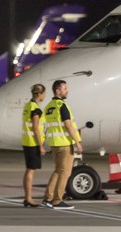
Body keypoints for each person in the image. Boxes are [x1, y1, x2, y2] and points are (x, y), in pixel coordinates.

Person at [41, 80, 82, 210]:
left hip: (54, 144)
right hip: (64, 144)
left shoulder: (48, 107)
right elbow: (68, 125)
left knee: (58, 171)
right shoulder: (62, 106)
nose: (67, 90)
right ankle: (57, 200)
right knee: (65, 173)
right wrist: (77, 142)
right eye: (64, 88)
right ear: (57, 91)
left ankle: (48, 198)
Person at [21, 84, 46, 207]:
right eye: (44, 93)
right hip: (33, 143)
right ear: (40, 94)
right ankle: (28, 198)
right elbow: (36, 129)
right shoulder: (36, 109)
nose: (45, 96)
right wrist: (41, 146)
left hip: (26, 142)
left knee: (28, 170)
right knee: (30, 171)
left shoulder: (28, 106)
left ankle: (27, 197)